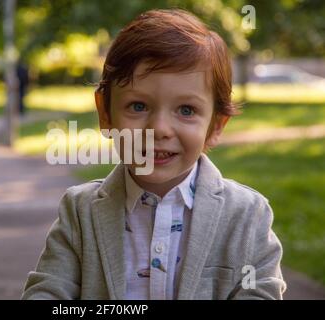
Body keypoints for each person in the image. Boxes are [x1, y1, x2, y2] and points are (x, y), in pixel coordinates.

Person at [22, 9, 286, 300]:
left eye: (186, 110)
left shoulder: (247, 216)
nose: (159, 129)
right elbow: (47, 293)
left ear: (215, 125)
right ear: (105, 113)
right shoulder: (80, 212)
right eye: (138, 106)